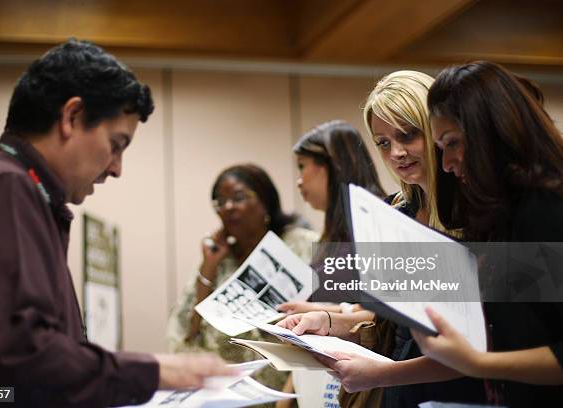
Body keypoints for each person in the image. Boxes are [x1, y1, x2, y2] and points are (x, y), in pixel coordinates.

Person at [0, 39, 234, 407]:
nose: (116, 168)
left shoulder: (16, 189)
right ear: (71, 117)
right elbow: (21, 363)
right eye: (116, 144)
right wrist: (155, 372)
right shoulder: (2, 186)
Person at [278, 71, 485, 407]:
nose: (397, 153)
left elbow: (480, 344)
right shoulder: (396, 212)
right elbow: (387, 319)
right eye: (384, 143)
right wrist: (329, 322)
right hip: (397, 391)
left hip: (456, 394)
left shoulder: (477, 217)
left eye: (408, 135)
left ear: (436, 129)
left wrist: (380, 373)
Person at [412, 61, 563, 406]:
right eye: (441, 149)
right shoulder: (503, 215)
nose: (447, 164)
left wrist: (479, 364)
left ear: (491, 133)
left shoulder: (544, 210)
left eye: (452, 143)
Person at [165, 164, 318, 394]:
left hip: (292, 392)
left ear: (265, 200)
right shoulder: (218, 260)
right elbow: (184, 337)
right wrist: (207, 270)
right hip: (227, 395)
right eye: (220, 202)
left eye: (238, 198)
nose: (228, 207)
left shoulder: (302, 245)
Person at [275, 120, 386, 408]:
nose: (299, 180)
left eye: (302, 166)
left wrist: (324, 311)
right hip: (323, 380)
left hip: (359, 381)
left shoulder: (377, 222)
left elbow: (382, 315)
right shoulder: (332, 233)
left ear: (331, 165)